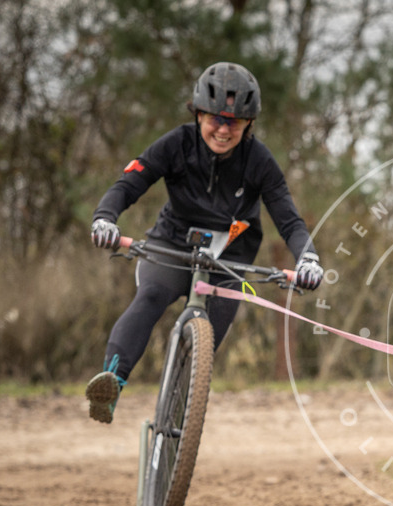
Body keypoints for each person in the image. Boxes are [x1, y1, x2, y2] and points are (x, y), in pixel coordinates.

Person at [85, 61, 323, 424]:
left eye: (236, 122)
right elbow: (128, 184)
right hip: (172, 244)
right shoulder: (176, 144)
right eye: (215, 118)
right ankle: (112, 383)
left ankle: (182, 415)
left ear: (249, 124)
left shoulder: (259, 162)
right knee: (150, 297)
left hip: (231, 260)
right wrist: (105, 218)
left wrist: (309, 259)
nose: (224, 130)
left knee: (209, 332)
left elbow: (289, 221)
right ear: (198, 115)